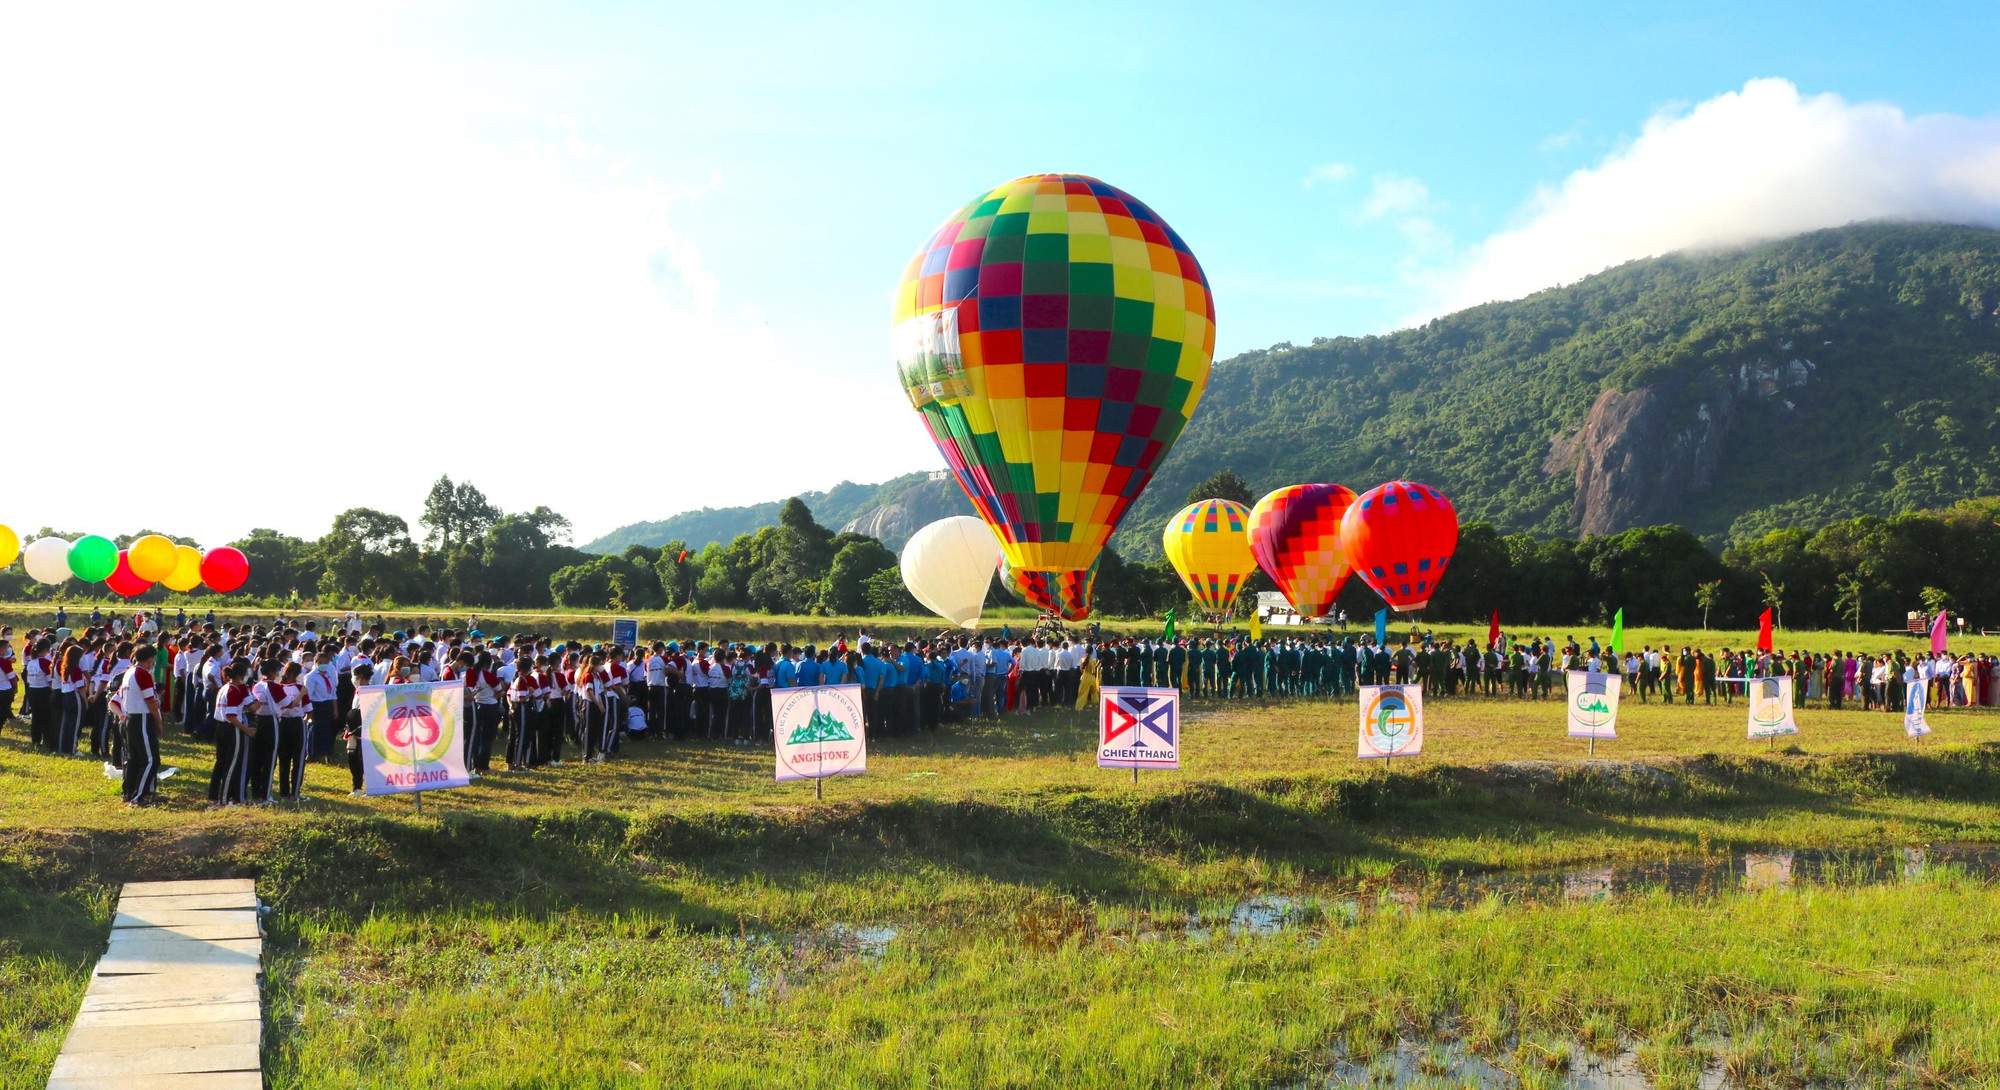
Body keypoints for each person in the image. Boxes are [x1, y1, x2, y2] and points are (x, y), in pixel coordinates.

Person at [117, 646, 163, 806]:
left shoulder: (129, 672)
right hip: (141, 717)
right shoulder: (143, 673)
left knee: (135, 758)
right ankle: (139, 797)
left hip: (130, 717)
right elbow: (151, 702)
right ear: (150, 659)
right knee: (151, 760)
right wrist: (159, 722)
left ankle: (130, 793)